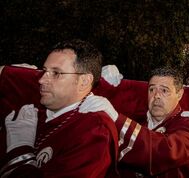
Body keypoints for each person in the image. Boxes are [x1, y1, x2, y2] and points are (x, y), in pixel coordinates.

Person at [0, 39, 118, 177]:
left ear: (84, 81)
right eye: (44, 71)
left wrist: (20, 149)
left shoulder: (94, 131)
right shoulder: (38, 109)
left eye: (56, 73)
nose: (41, 80)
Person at [81, 66, 189, 177]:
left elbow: (164, 153)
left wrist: (116, 118)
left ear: (179, 94)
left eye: (164, 90)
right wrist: (102, 84)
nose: (156, 96)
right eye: (152, 89)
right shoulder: (138, 119)